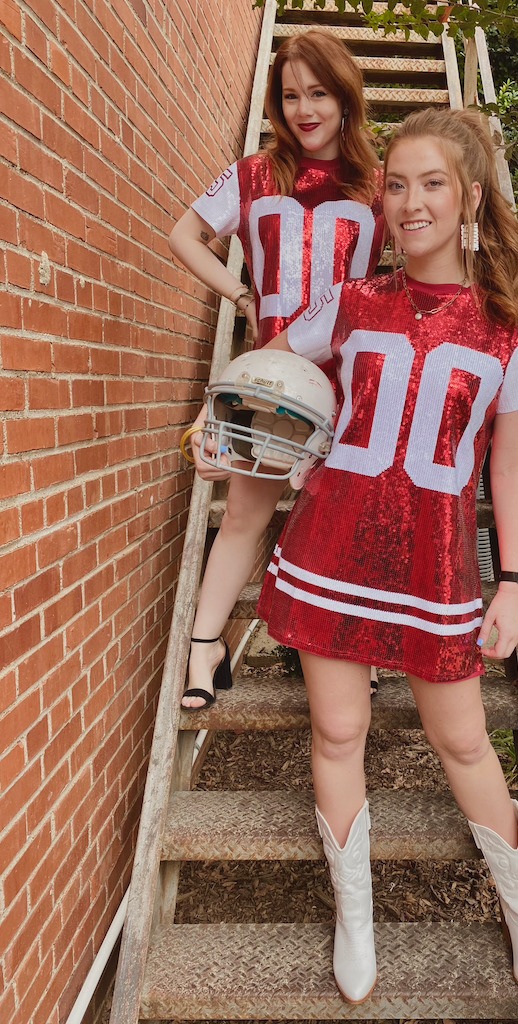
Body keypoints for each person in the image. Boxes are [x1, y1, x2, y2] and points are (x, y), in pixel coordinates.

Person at [255, 107, 518, 1008]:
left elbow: (511, 463)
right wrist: (236, 431)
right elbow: (268, 372)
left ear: (469, 197)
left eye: (432, 184)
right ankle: (357, 918)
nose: (410, 201)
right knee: (337, 732)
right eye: (396, 183)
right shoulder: (351, 302)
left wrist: (511, 580)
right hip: (331, 549)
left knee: (463, 738)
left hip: (433, 570)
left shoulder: (514, 325)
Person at [168, 30, 385, 709]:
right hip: (271, 378)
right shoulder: (252, 174)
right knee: (243, 513)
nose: (304, 108)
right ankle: (206, 647)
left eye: (318, 92)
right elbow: (184, 235)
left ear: (345, 97)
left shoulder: (380, 185)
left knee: (350, 516)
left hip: (353, 380)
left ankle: (356, 644)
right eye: (290, 95)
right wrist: (239, 295)